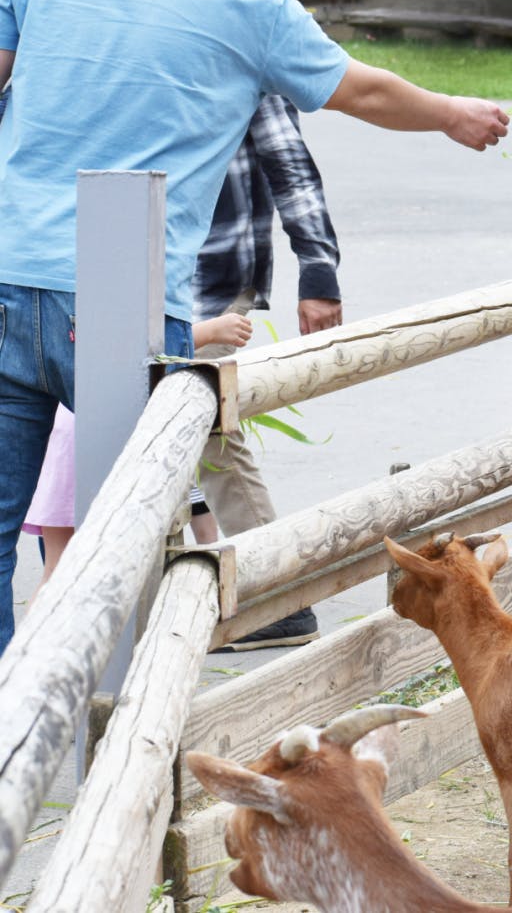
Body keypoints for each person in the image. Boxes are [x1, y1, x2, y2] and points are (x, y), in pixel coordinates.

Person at [0, 0, 508, 656]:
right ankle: (114, 710)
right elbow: (361, 90)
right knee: (132, 538)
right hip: (129, 301)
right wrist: (451, 112)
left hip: (10, 268)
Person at [196, 93, 343, 651]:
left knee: (208, 431)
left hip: (208, 276)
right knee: (173, 433)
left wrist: (319, 270)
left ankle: (277, 595)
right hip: (142, 266)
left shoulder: (233, 43)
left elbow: (289, 163)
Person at [19, 312, 253, 587]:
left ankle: (44, 618)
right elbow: (134, 352)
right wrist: (210, 331)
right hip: (86, 440)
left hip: (63, 437)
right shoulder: (105, 308)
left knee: (57, 570)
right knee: (100, 570)